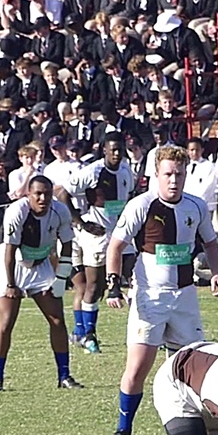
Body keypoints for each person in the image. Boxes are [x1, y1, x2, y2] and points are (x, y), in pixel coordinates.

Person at [102, 145, 218, 435]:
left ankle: (196, 432)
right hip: (150, 299)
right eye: (168, 174)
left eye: (179, 174)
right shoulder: (141, 205)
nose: (174, 180)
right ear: (155, 174)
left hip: (184, 297)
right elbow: (115, 247)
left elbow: (210, 243)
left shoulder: (196, 206)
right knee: (138, 367)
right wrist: (113, 285)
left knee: (191, 366)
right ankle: (123, 427)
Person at [0, 175, 83, 392]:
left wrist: (61, 278)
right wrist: (11, 284)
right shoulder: (16, 211)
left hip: (41, 265)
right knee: (7, 320)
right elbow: (10, 251)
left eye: (47, 193)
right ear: (28, 194)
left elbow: (66, 246)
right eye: (38, 194)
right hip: (14, 265)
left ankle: (64, 376)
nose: (43, 198)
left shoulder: (60, 211)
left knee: (57, 320)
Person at [61, 131, 135, 354]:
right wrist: (81, 223)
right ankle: (88, 333)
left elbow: (129, 197)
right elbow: (63, 193)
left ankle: (144, 331)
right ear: (104, 149)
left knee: (136, 278)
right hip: (98, 236)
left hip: (123, 234)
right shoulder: (92, 171)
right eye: (112, 149)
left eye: (120, 149)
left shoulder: (125, 170)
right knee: (94, 286)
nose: (116, 153)